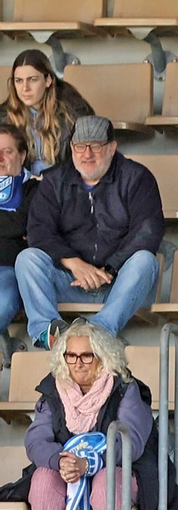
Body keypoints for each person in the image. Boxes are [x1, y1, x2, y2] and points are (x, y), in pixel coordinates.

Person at [24, 320, 178, 510]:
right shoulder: (54, 390)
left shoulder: (124, 388)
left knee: (105, 481)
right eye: (71, 356)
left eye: (86, 356)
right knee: (43, 478)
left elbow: (130, 444)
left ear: (102, 357)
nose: (78, 363)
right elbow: (36, 440)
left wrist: (87, 464)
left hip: (123, 471)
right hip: (69, 471)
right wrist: (61, 462)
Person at [19, 116, 161, 347]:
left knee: (146, 261)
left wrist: (109, 268)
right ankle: (47, 333)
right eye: (79, 146)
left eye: (95, 146)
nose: (87, 154)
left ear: (112, 148)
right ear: (72, 148)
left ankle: (100, 332)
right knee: (27, 259)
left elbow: (148, 231)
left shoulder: (136, 177)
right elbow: (39, 231)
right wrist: (75, 264)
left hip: (117, 283)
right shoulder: (54, 181)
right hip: (69, 281)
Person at [5, 50, 92, 175]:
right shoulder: (4, 116)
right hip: (21, 186)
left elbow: (86, 159)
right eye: (18, 80)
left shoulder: (73, 112)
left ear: (48, 80)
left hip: (61, 186)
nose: (25, 88)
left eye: (33, 79)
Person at [0, 124, 38, 339]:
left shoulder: (34, 189)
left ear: (22, 156)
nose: (0, 158)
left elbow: (22, 223)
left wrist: (15, 226)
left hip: (8, 269)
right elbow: (14, 225)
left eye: (7, 151)